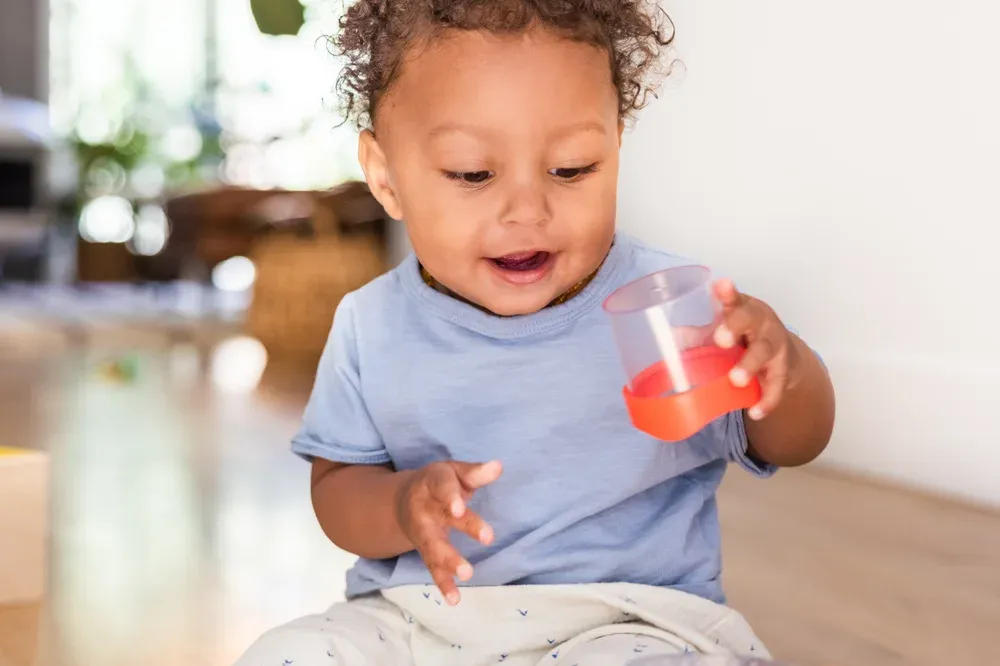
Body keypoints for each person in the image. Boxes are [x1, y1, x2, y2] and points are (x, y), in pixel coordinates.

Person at [234, 1, 836, 664]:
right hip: (422, 621)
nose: (527, 210)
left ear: (616, 143)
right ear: (386, 177)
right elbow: (337, 492)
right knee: (288, 652)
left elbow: (794, 442)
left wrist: (787, 373)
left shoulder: (675, 308)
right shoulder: (369, 323)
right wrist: (405, 505)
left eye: (572, 168)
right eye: (472, 173)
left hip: (626, 622)